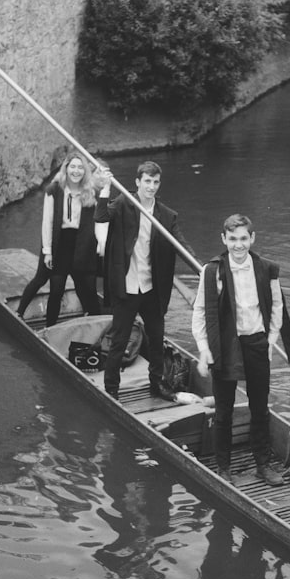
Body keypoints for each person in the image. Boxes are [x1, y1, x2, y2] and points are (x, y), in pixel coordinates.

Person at [191, 214, 290, 486]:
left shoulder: (267, 268)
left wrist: (270, 341)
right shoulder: (211, 271)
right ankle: (223, 468)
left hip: (256, 343)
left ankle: (263, 465)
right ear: (223, 239)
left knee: (260, 408)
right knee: (224, 411)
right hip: (226, 345)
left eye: (243, 239)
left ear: (253, 238)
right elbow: (200, 313)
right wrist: (205, 349)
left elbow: (276, 307)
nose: (239, 245)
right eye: (233, 239)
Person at [95, 161, 195, 401]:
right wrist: (106, 188)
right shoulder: (123, 204)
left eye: (155, 182)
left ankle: (156, 385)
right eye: (147, 181)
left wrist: (202, 269)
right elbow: (101, 217)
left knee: (157, 339)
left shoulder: (166, 216)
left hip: (151, 289)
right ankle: (111, 389)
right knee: (119, 341)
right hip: (127, 286)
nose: (151, 186)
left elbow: (181, 246)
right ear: (138, 182)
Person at [16, 151, 109, 325]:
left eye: (80, 167)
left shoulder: (90, 191)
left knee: (87, 287)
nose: (76, 171)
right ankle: (38, 322)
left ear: (85, 171)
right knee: (55, 289)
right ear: (66, 169)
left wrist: (106, 183)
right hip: (59, 243)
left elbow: (103, 213)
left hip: (81, 244)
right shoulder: (54, 190)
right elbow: (47, 223)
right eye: (72, 166)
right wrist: (47, 251)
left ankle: (96, 323)